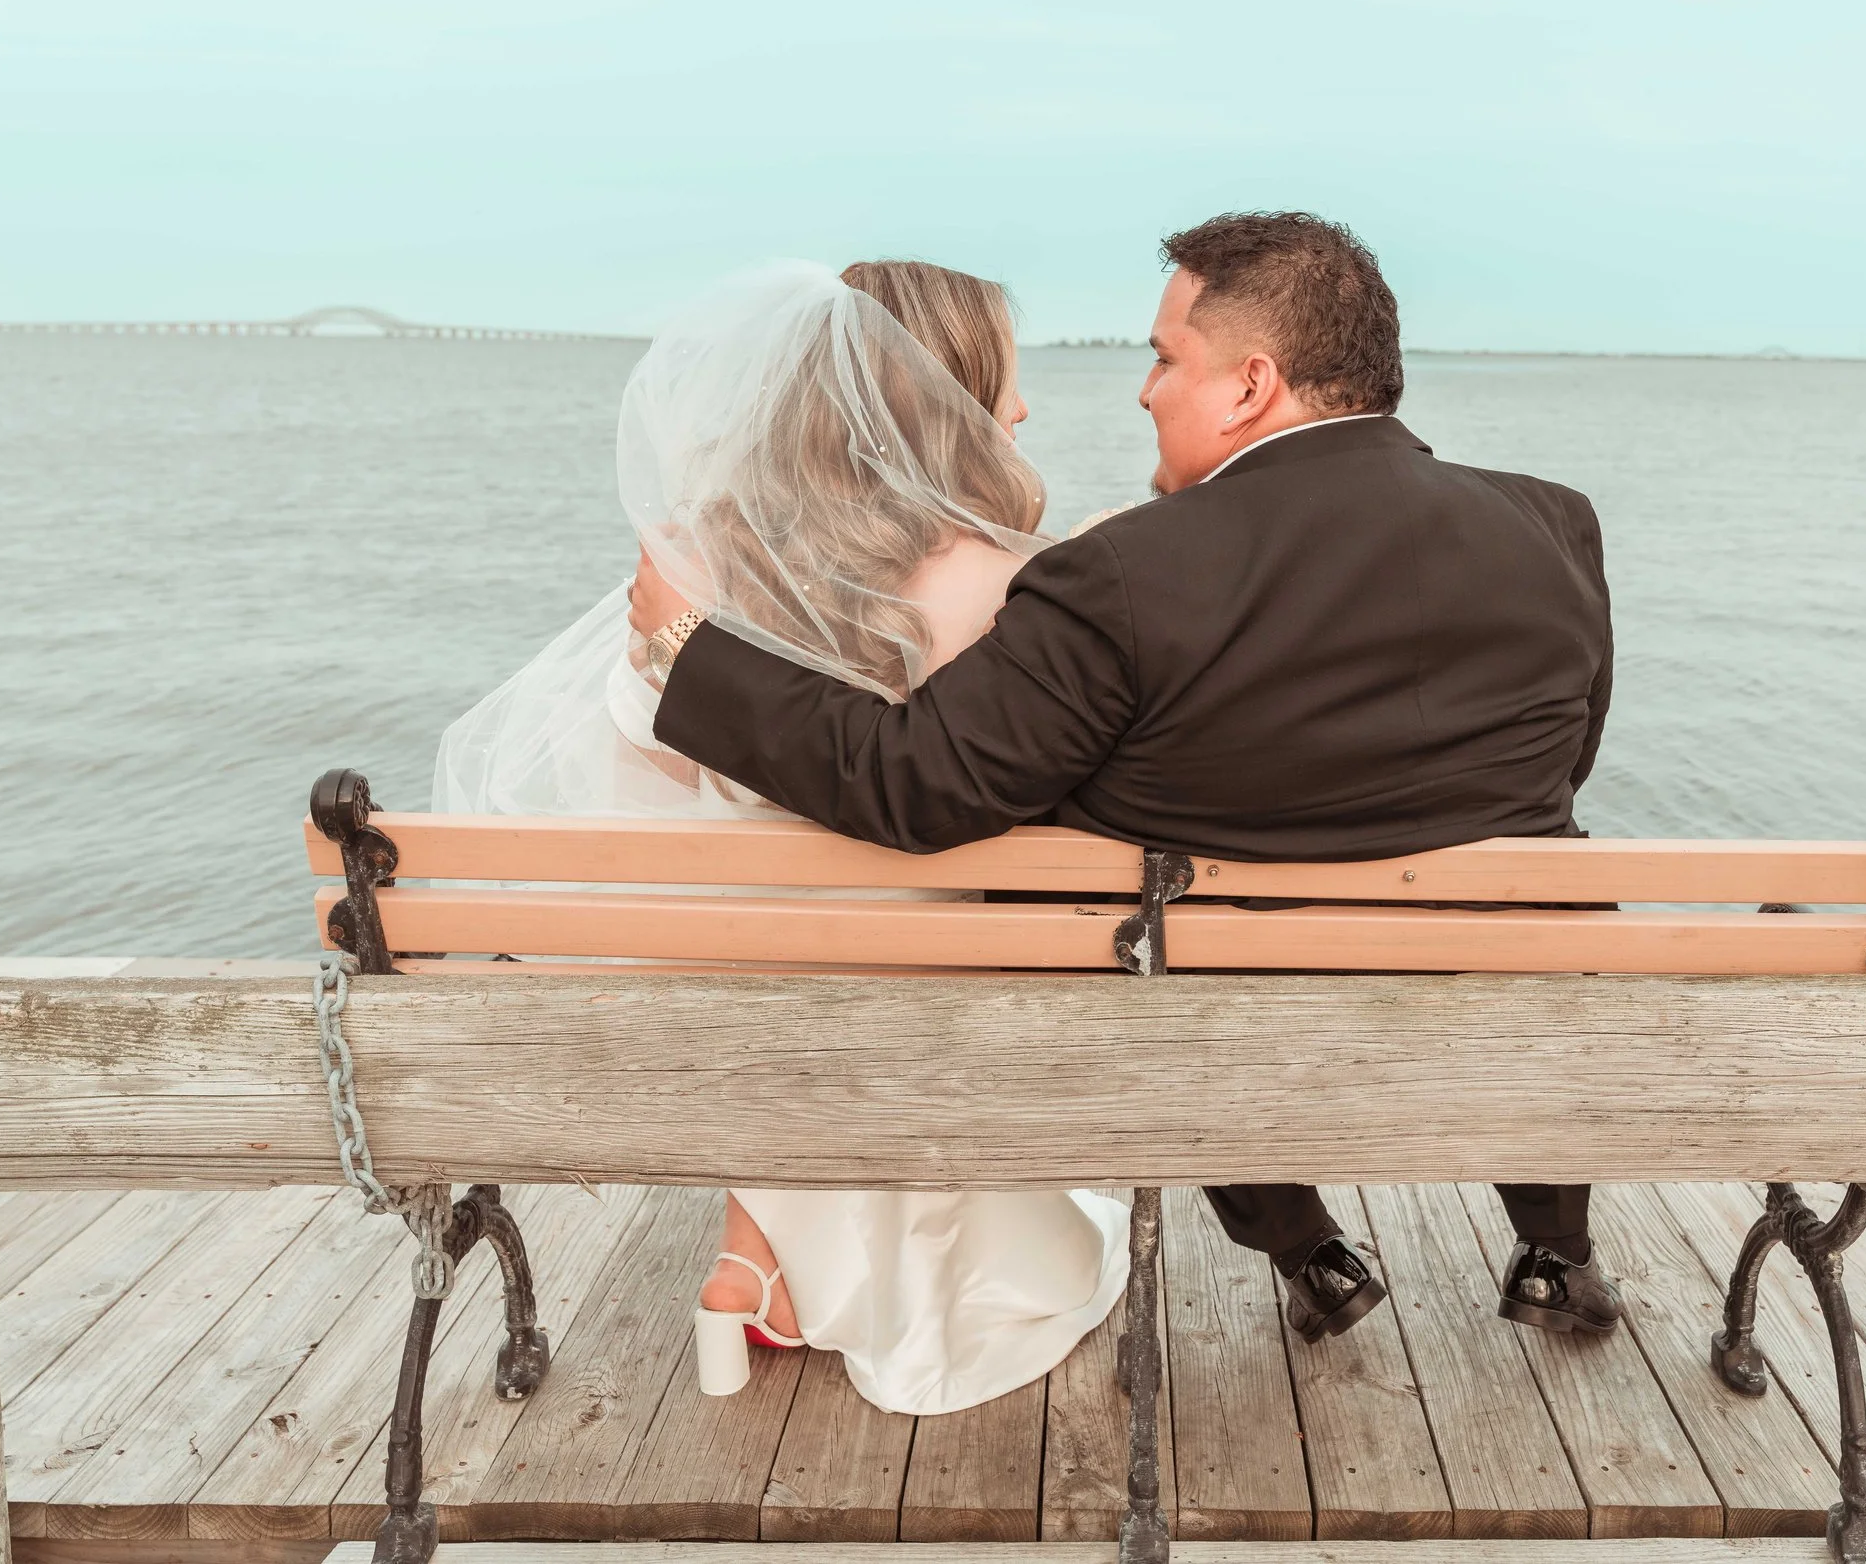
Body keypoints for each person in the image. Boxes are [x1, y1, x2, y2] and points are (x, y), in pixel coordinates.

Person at [629, 212, 1621, 1344]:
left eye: (1163, 359)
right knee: (1536, 889)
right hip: (1499, 1017)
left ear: (1251, 385)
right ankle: (1555, 1247)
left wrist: (686, 655)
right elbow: (1563, 765)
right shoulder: (1553, 526)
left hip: (1229, 1043)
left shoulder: (1122, 574)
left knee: (1171, 944)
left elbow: (917, 786)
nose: (1143, 390)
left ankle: (1307, 1249)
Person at [435, 258, 1130, 1414]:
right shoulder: (1006, 588)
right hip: (934, 1000)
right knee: (921, 948)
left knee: (802, 958)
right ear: (940, 396)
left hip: (751, 992)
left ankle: (751, 1260)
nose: (1021, 409)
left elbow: (644, 762)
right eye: (1004, 379)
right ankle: (864, 1279)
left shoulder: (714, 563)